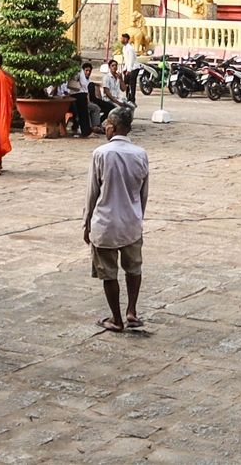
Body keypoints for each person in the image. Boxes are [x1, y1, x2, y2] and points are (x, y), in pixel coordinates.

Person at [84, 107, 149, 332]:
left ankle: (116, 318)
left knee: (108, 273)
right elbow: (143, 193)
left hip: (105, 222)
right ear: (129, 128)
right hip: (131, 222)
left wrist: (86, 222)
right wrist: (139, 216)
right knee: (134, 268)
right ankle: (131, 311)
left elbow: (92, 192)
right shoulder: (140, 154)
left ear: (110, 127)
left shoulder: (101, 153)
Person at [66, 61, 95, 138]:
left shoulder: (70, 70)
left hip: (72, 93)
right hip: (81, 92)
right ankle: (86, 132)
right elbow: (84, 82)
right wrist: (86, 92)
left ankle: (78, 128)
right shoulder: (79, 70)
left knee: (78, 113)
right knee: (83, 114)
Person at [118, 32, 139, 104]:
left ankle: (132, 99)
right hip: (128, 67)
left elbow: (131, 59)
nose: (121, 40)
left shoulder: (130, 48)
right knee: (126, 83)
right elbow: (126, 60)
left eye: (122, 38)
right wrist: (125, 69)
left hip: (134, 68)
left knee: (132, 84)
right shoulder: (124, 48)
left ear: (126, 39)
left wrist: (129, 70)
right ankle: (127, 97)